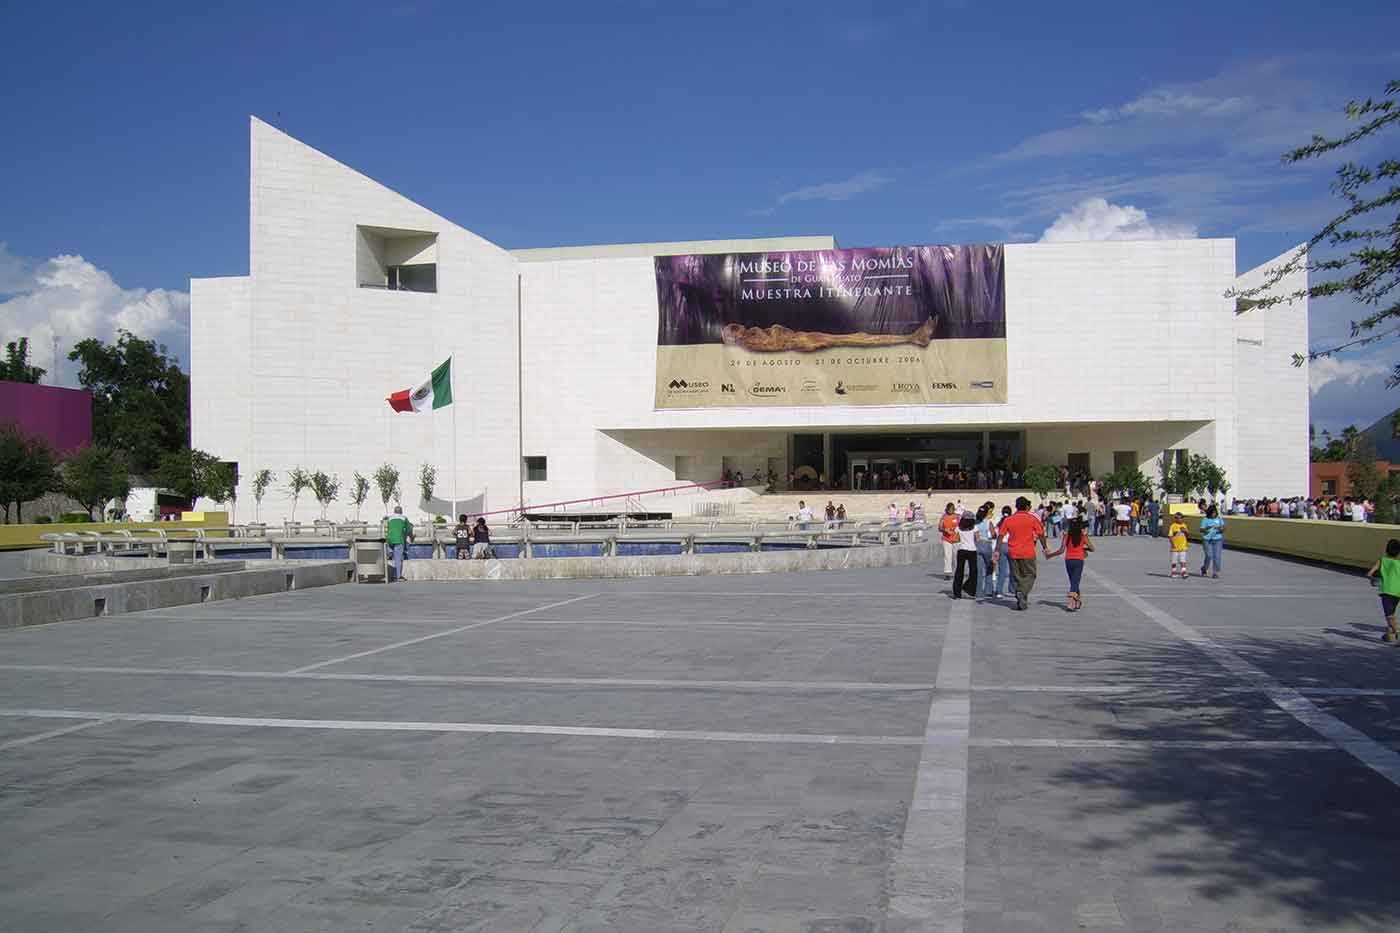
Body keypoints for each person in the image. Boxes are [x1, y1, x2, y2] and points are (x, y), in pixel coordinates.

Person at [998, 496, 1047, 611]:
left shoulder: (1009, 519)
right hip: (1027, 552)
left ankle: (1022, 600)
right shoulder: (1032, 519)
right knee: (1030, 575)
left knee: (1018, 577)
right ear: (1026, 506)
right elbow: (1040, 534)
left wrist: (996, 550)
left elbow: (1001, 535)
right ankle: (1022, 592)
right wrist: (1045, 547)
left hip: (1013, 552)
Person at [1045, 516, 1094, 610]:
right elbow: (1092, 548)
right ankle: (1071, 602)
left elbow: (1061, 550)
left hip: (1068, 560)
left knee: (1073, 581)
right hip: (1079, 560)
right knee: (1075, 581)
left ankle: (1077, 600)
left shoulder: (1066, 536)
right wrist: (1083, 548)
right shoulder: (1083, 536)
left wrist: (1050, 555)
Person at [1365, 539, 1400, 643]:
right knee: (1392, 612)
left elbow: (1369, 574)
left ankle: (1397, 632)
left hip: (1387, 591)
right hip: (1398, 592)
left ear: (1387, 550)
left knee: (1389, 615)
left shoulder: (1382, 560)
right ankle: (1390, 634)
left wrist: (1373, 580)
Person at [952, 513, 979, 599]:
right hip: (972, 550)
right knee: (973, 572)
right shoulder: (974, 528)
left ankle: (957, 593)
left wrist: (962, 538)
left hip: (962, 550)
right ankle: (971, 590)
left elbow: (955, 539)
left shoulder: (958, 528)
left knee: (959, 571)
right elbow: (978, 539)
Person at [975, 505, 998, 598]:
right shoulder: (988, 522)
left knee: (979, 570)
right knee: (989, 567)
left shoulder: (975, 523)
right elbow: (993, 535)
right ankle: (988, 590)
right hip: (986, 545)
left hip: (977, 546)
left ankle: (978, 591)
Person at [386, 505, 413, 582]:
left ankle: (389, 552)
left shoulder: (389, 518)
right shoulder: (404, 518)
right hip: (399, 540)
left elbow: (388, 528)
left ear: (394, 511)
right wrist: (411, 537)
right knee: (398, 559)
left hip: (390, 539)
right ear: (401, 511)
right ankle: (398, 576)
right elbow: (409, 529)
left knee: (392, 553)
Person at [1199, 504, 1225, 578]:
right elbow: (1201, 529)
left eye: (1215, 513)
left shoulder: (1219, 519)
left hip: (1217, 539)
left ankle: (1215, 572)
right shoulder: (1205, 519)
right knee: (1209, 555)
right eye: (1212, 513)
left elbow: (1223, 528)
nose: (1213, 515)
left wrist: (1221, 529)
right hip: (1207, 540)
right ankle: (1204, 568)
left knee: (1217, 556)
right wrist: (1206, 528)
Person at [994, 505, 1015, 599]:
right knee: (1013, 569)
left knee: (1002, 570)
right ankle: (1012, 589)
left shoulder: (999, 522)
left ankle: (999, 591)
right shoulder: (1012, 521)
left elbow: (998, 535)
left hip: (1002, 545)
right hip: (1011, 545)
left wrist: (996, 549)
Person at [938, 503, 960, 580]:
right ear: (947, 509)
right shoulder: (944, 517)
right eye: (949, 509)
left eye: (952, 509)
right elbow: (940, 528)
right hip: (946, 539)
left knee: (956, 556)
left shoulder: (957, 517)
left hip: (956, 539)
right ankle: (947, 573)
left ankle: (958, 572)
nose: (950, 511)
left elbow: (961, 526)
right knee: (947, 556)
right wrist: (945, 530)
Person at [1167, 512, 1190, 579]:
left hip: (1183, 546)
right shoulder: (1173, 526)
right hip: (1175, 547)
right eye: (1179, 518)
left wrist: (1185, 531)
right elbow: (1170, 536)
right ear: (1176, 519)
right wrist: (1172, 544)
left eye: (1181, 518)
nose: (1181, 520)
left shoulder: (1184, 525)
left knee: (1183, 560)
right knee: (1174, 561)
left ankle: (1184, 572)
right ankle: (1174, 572)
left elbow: (1187, 535)